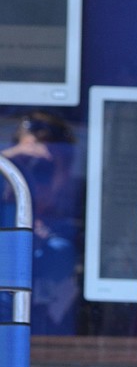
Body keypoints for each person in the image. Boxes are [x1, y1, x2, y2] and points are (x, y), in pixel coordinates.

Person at [1, 111, 83, 334]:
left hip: (46, 325)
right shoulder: (8, 178)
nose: (29, 179)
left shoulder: (67, 221)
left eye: (44, 169)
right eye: (24, 164)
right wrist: (7, 163)